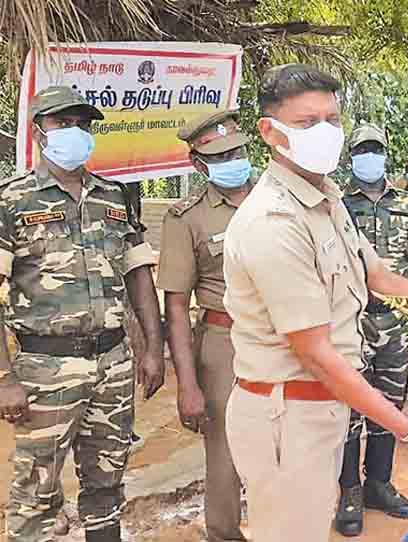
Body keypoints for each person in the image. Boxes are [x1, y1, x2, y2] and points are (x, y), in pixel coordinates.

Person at [221, 63, 408, 542]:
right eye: (307, 123)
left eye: (332, 120)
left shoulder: (325, 198)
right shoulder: (274, 221)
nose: (325, 134)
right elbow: (316, 355)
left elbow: (377, 276)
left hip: (319, 411)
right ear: (270, 131)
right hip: (288, 418)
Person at [0, 86, 164, 542]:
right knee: (36, 493)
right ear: (38, 133)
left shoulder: (114, 197)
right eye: (63, 123)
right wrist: (4, 378)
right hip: (44, 370)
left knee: (107, 483)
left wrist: (153, 349)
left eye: (83, 124)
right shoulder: (12, 201)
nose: (75, 133)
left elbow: (139, 278)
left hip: (113, 363)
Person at [157, 110, 254, 542]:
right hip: (224, 344)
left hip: (288, 341)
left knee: (288, 443)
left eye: (235, 150)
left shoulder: (280, 200)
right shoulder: (186, 218)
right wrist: (187, 383)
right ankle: (225, 535)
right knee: (225, 454)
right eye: (219, 155)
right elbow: (175, 307)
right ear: (199, 164)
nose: (231, 159)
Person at [336, 123, 408, 536]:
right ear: (351, 155)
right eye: (361, 149)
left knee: (390, 404)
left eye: (375, 149)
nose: (368, 156)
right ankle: (349, 490)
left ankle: (379, 484)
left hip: (396, 320)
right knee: (350, 409)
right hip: (350, 320)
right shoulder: (335, 202)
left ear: (386, 154)